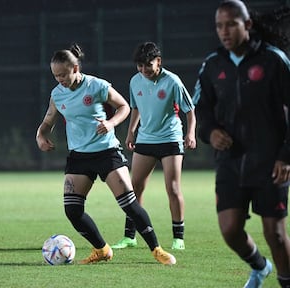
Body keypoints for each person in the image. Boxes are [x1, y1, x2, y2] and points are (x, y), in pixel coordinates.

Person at [36, 43, 176, 265]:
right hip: (79, 157)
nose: (59, 79)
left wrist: (111, 123)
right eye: (55, 75)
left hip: (106, 152)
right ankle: (102, 249)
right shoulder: (57, 94)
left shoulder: (96, 86)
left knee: (129, 204)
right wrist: (41, 136)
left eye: (63, 74)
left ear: (75, 69)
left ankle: (157, 249)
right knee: (72, 210)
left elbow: (124, 107)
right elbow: (47, 122)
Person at [193, 1, 290, 287]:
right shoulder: (212, 64)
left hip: (270, 161)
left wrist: (285, 155)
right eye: (219, 25)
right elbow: (203, 110)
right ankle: (260, 267)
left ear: (246, 25)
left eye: (231, 24)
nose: (224, 31)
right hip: (231, 162)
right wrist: (209, 133)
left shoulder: (274, 60)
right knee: (230, 229)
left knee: (275, 233)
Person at [111, 42, 196, 251]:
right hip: (146, 140)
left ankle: (178, 238)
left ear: (159, 62)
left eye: (148, 65)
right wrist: (131, 131)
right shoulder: (135, 81)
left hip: (170, 139)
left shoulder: (172, 81)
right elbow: (136, 107)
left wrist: (190, 133)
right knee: (134, 189)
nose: (143, 70)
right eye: (139, 66)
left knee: (173, 188)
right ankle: (130, 236)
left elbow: (190, 110)